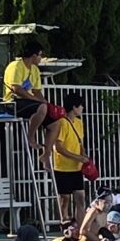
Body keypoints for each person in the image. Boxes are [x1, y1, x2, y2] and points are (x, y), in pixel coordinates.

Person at [2, 39, 53, 152]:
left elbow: (37, 91)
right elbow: (17, 89)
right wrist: (36, 101)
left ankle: (46, 154)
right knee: (42, 108)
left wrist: (46, 103)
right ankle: (31, 138)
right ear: (34, 56)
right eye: (40, 55)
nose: (41, 58)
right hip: (12, 102)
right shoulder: (16, 66)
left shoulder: (35, 70)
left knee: (55, 120)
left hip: (29, 102)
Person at [46, 91, 89, 225]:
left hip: (76, 168)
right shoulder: (62, 123)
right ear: (74, 107)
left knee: (80, 198)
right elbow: (58, 147)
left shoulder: (79, 123)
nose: (82, 108)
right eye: (80, 105)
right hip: (62, 167)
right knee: (64, 198)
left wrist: (83, 156)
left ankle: (81, 227)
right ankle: (64, 223)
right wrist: (77, 157)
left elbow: (80, 142)